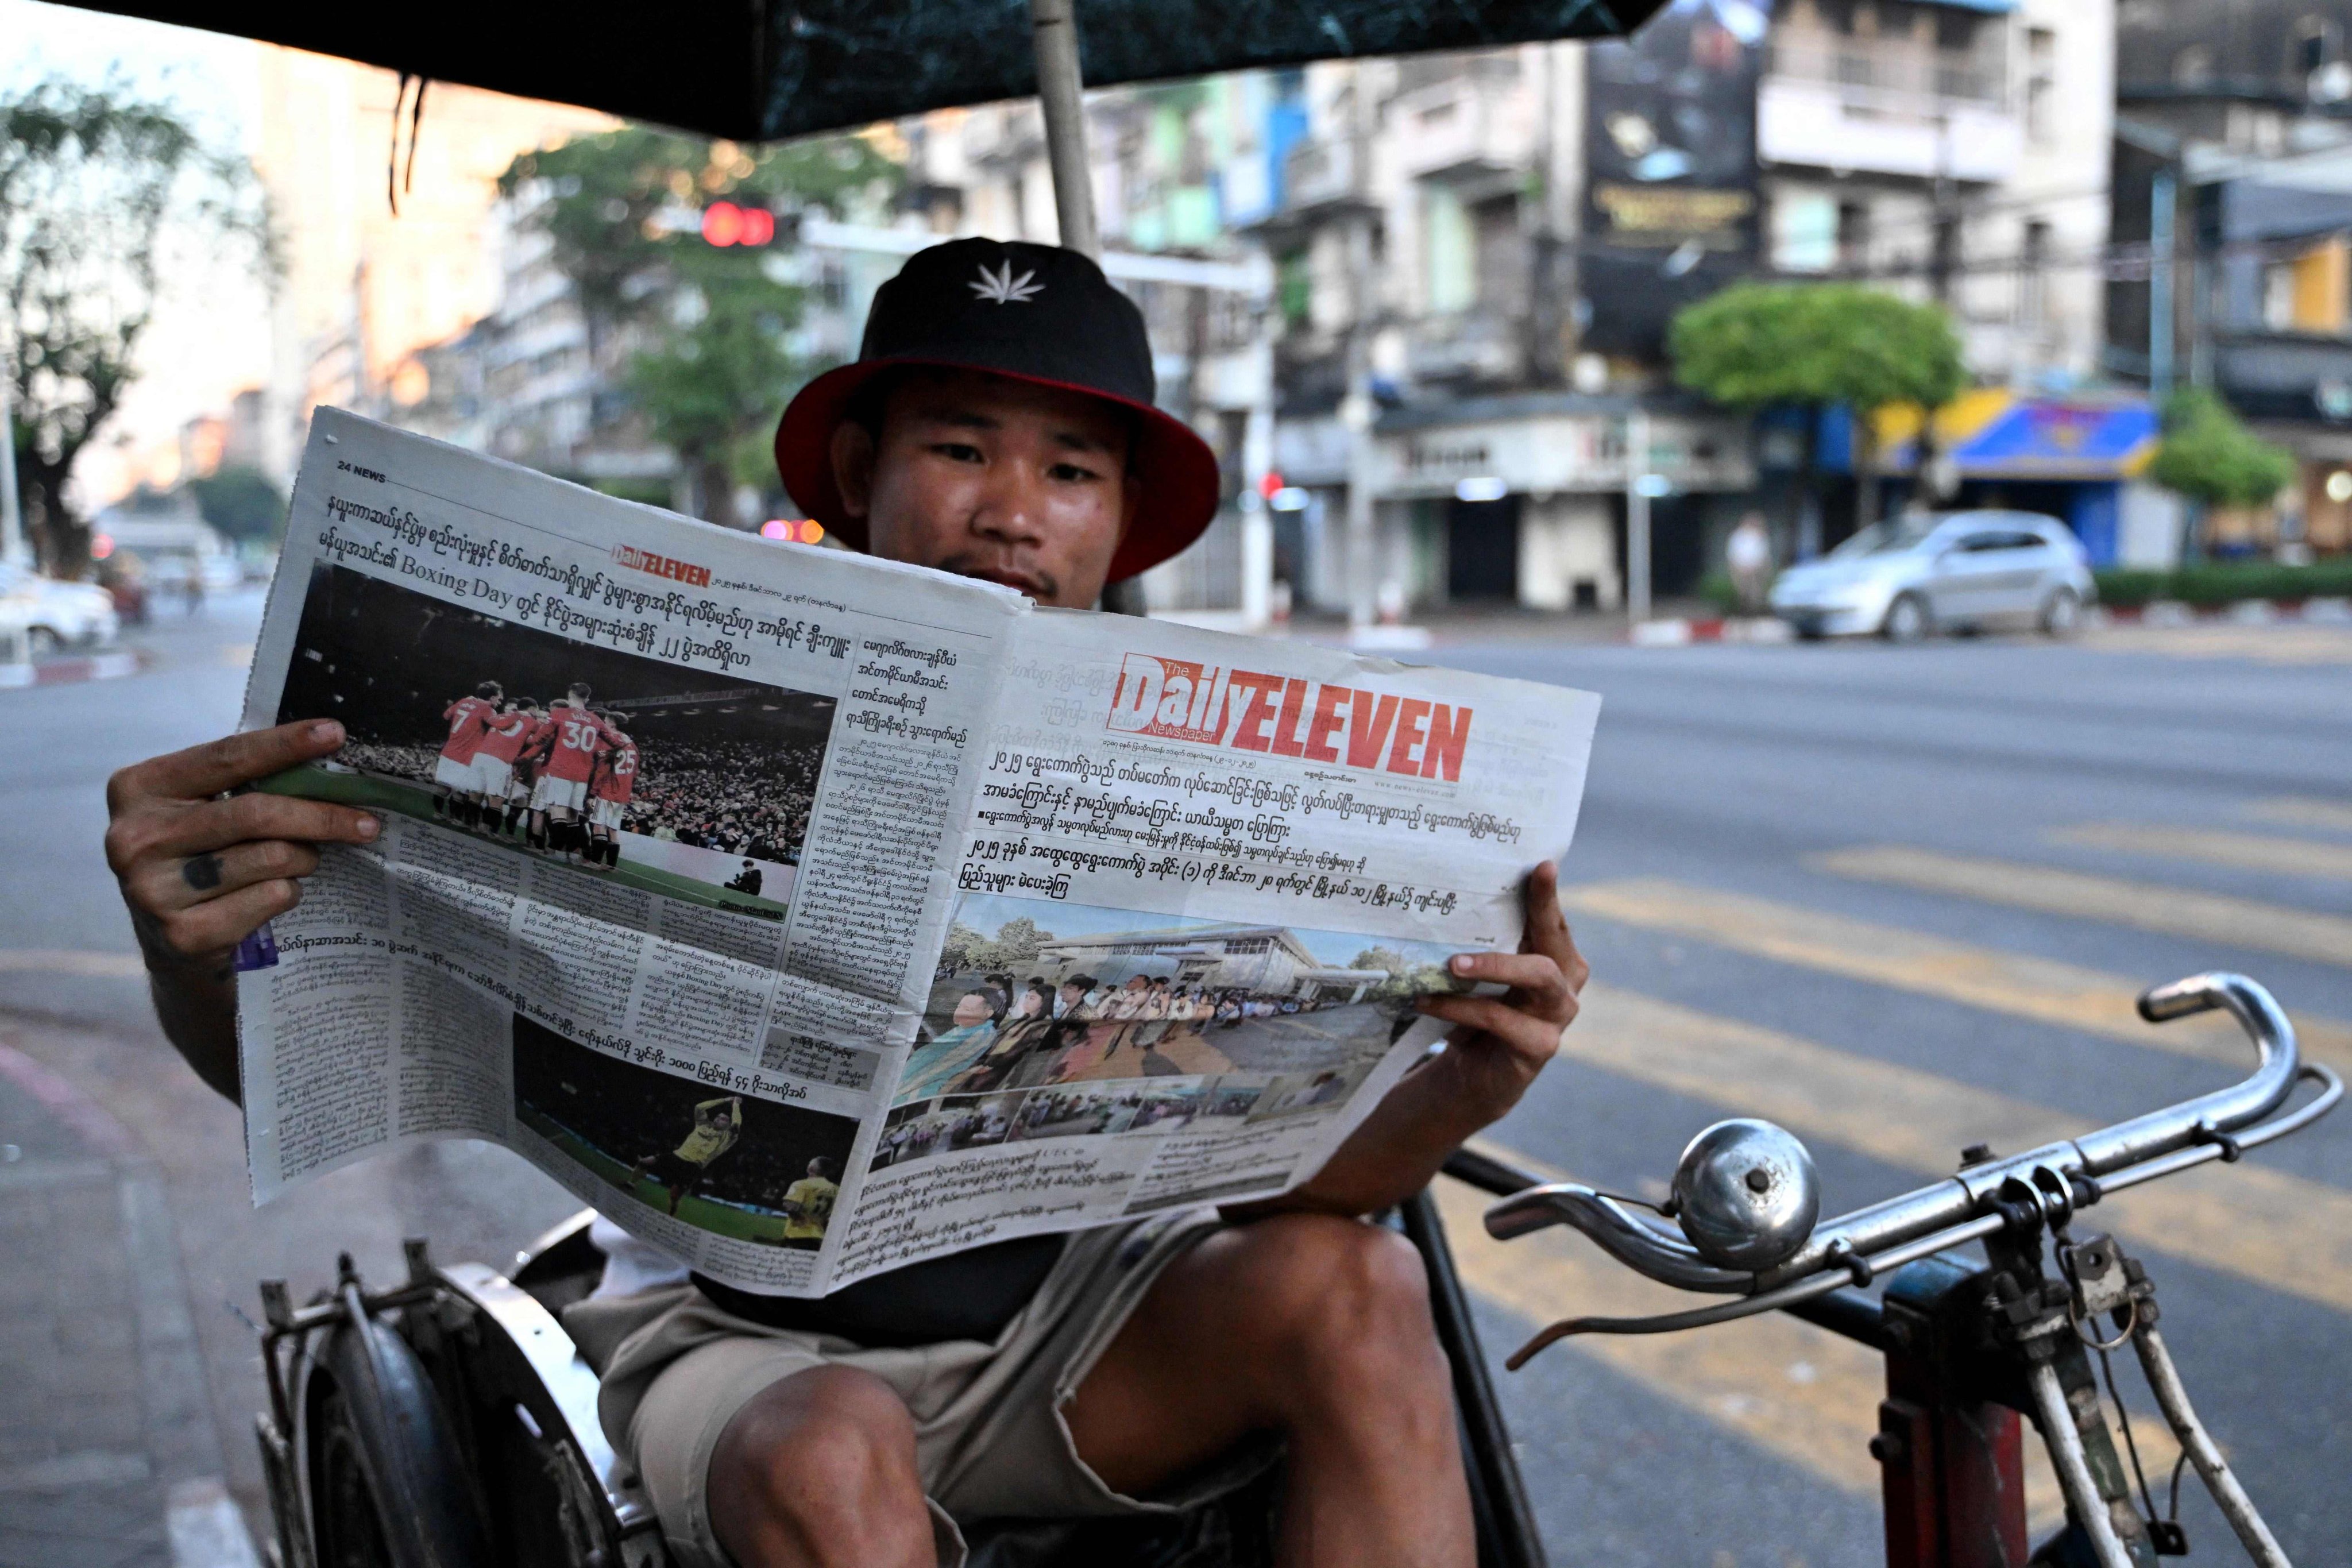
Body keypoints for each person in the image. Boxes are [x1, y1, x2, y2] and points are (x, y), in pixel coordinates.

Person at [102, 236, 1587, 1568]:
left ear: (1119, 521)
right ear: (860, 474)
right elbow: (304, 1058)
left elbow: (1282, 1195)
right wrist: (193, 951)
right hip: (737, 1351)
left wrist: (1462, 1083)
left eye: (1070, 471)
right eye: (958, 450)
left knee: (1365, 1291)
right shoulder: (675, 708)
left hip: (1072, 1334)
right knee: (826, 1452)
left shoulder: (1201, 778)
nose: (1013, 512)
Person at [629, 1096, 744, 1216]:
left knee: (674, 1194)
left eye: (724, 1119)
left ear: (727, 1125)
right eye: (718, 1117)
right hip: (676, 1155)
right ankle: (632, 1183)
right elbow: (699, 1107)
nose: (719, 1119)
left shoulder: (727, 1137)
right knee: (644, 1162)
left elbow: (736, 1124)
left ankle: (673, 1207)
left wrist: (735, 1105)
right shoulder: (702, 1124)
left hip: (693, 1167)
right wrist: (725, 1100)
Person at [779, 1157, 839, 1250]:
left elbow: (791, 1207)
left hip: (797, 1235)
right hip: (818, 1237)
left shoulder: (801, 1185)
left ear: (810, 1168)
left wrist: (798, 1217)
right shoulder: (837, 1190)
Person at [1727, 509, 1774, 615]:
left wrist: (1758, 567)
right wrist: (1741, 567)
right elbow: (1733, 553)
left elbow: (1764, 554)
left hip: (1756, 570)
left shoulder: (1760, 537)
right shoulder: (1738, 536)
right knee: (1743, 593)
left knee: (1756, 594)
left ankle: (1756, 613)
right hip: (1741, 569)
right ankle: (1743, 613)